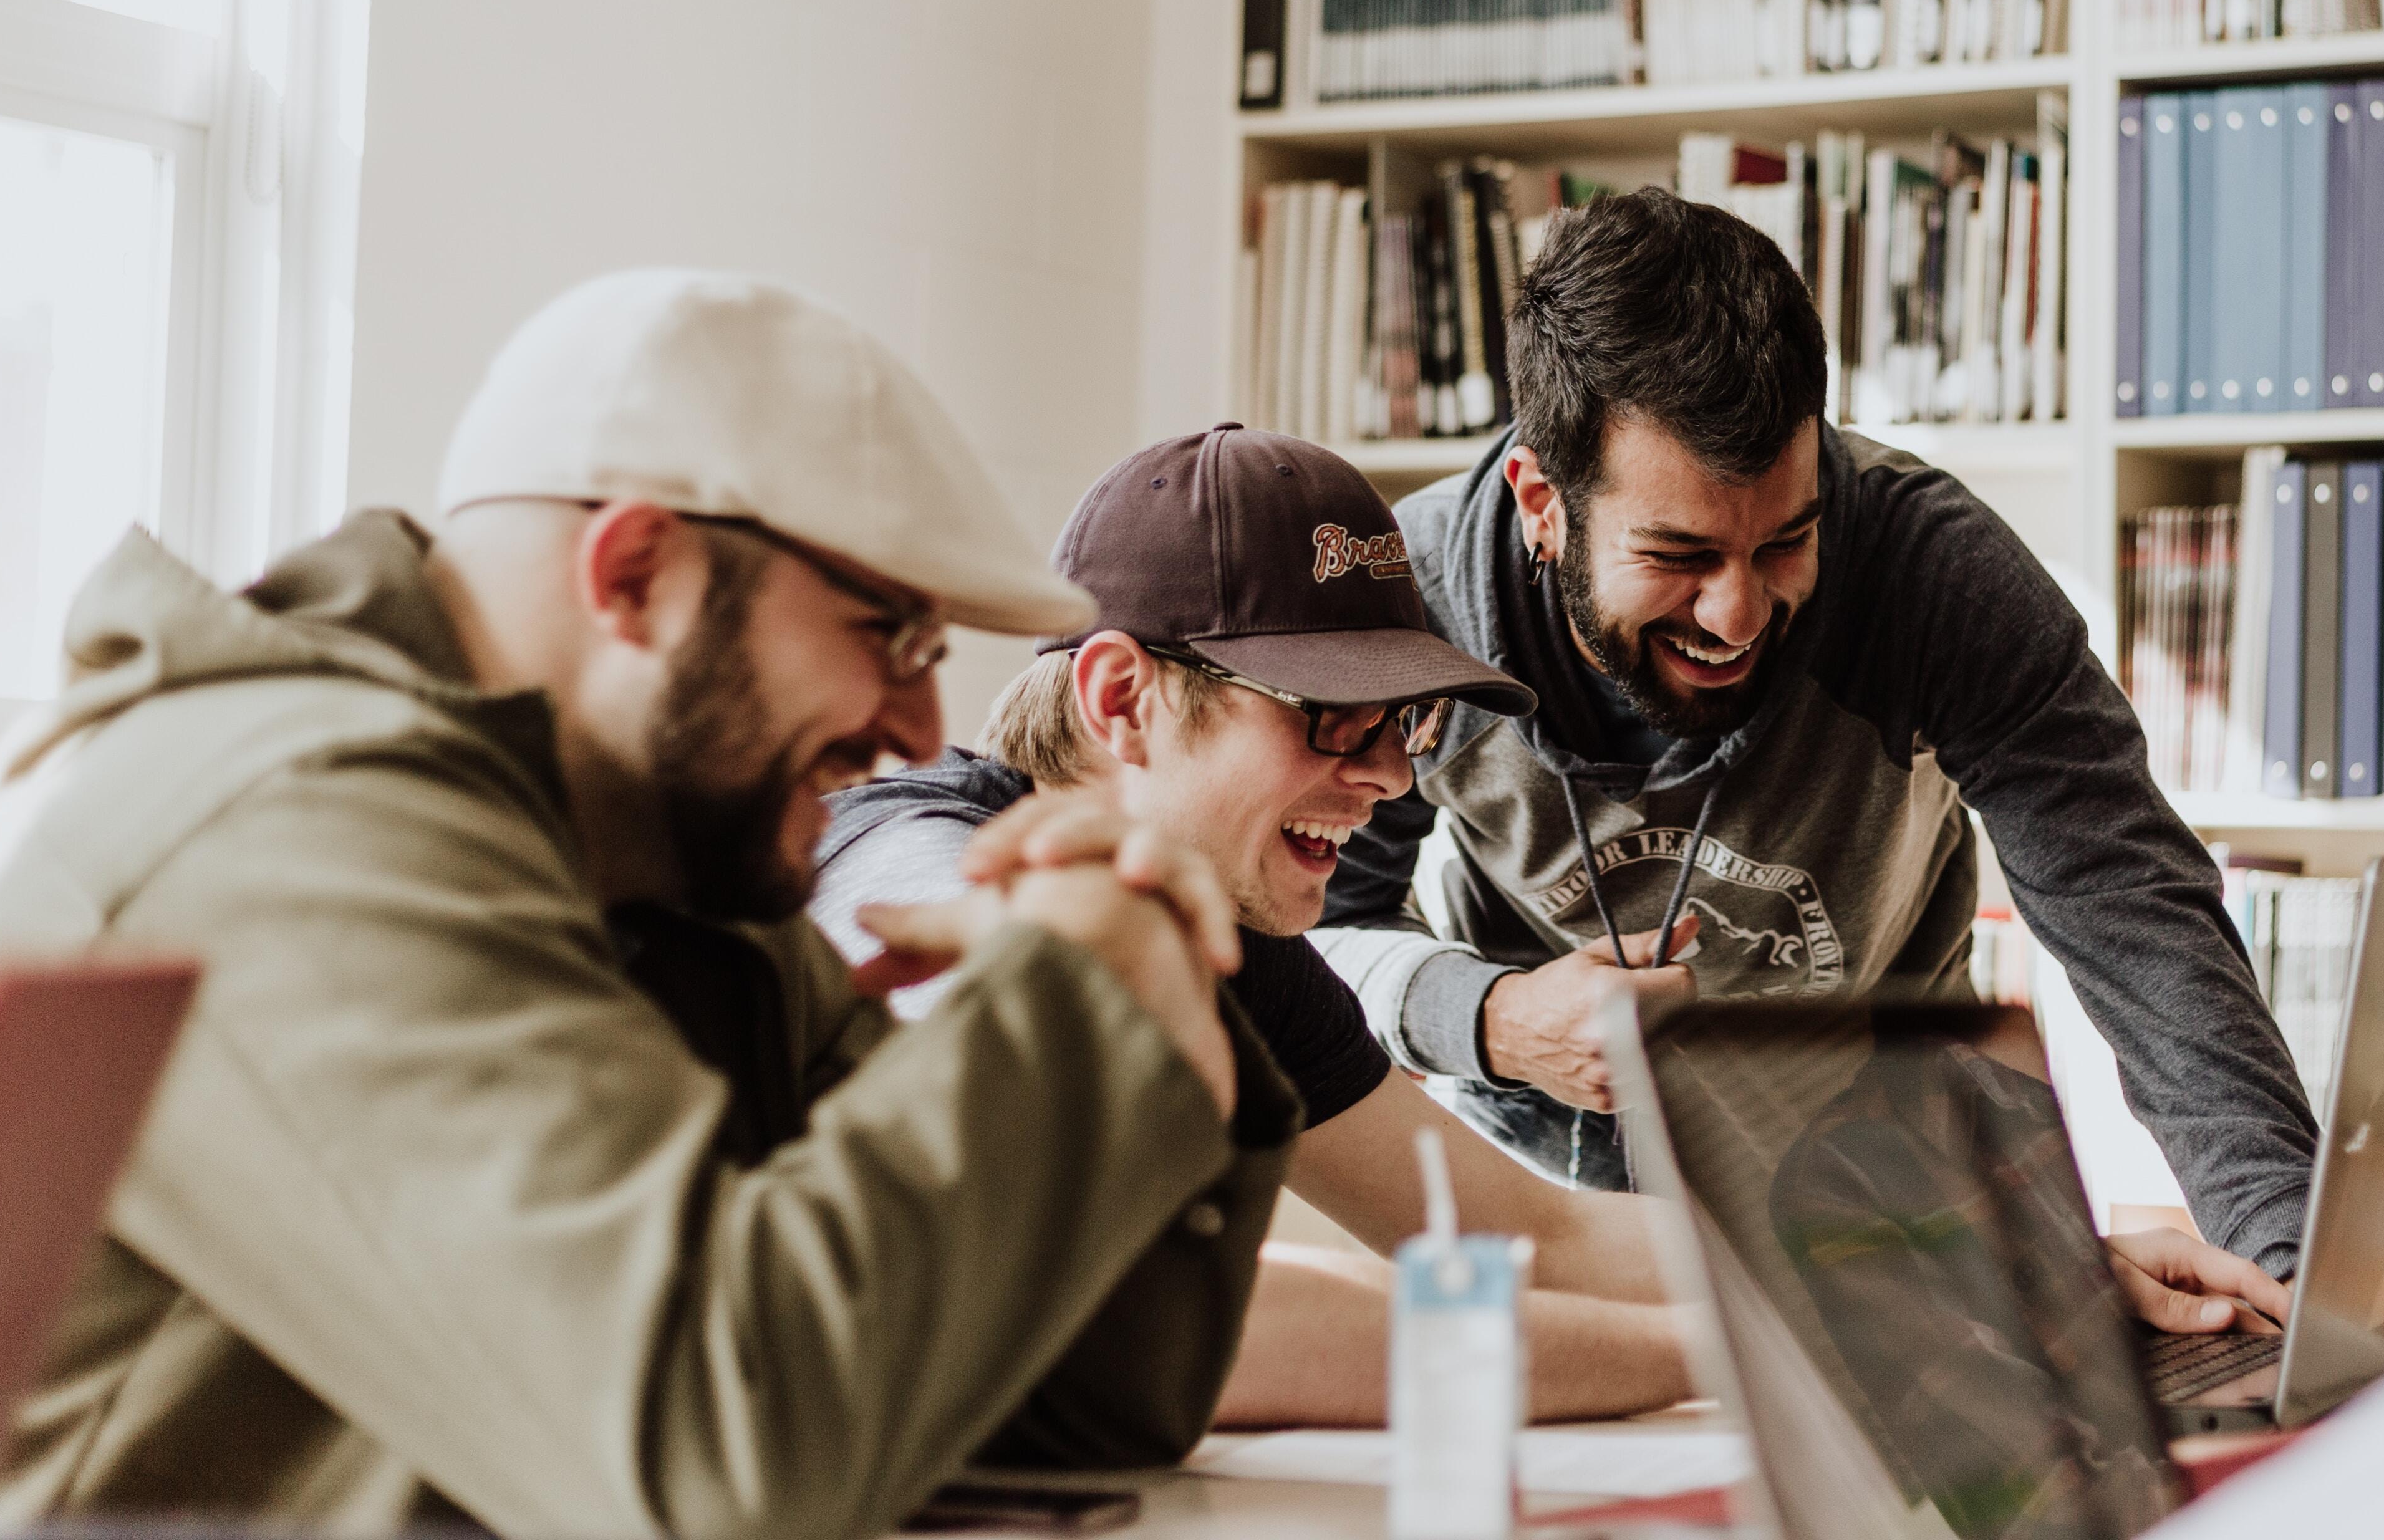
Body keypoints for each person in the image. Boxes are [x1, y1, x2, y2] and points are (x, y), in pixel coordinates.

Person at [0, 271, 1289, 1539]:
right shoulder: (289, 830)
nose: (921, 726)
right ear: (635, 573)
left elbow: (1058, 1413)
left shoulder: (661, 866)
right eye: (889, 635)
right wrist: (1073, 1003)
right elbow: (716, 1467)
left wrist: (1156, 1000)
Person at [813, 423, 2271, 1425]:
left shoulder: (1233, 939)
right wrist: (1826, 1343)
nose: (1389, 779)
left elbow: (1521, 1232)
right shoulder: (917, 871)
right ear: (1123, 698)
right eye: (1334, 721)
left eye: (1409, 726)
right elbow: (1160, 1313)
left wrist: (1987, 1267)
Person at [1312, 187, 2321, 1302]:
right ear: (1543, 500)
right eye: (1680, 556)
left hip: (1881, 1191)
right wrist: (1491, 1018)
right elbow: (1310, 939)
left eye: (1787, 542)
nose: (1739, 614)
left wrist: (2295, 1282)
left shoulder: (1934, 573)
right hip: (1540, 1214)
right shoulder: (1412, 603)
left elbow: (2138, 918)